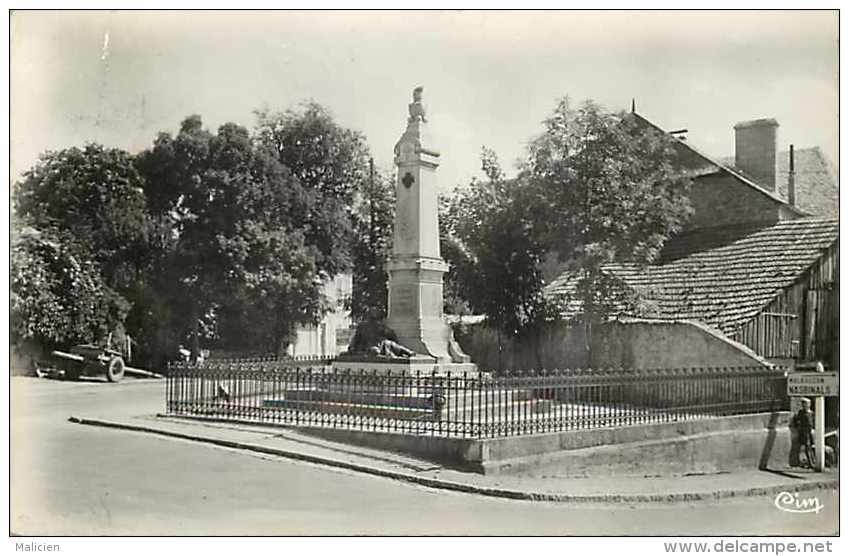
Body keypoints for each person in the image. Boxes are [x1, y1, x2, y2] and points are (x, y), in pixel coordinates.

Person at [790, 398, 815, 469]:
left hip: (810, 432)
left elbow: (812, 422)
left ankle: (812, 461)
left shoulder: (811, 413)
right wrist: (798, 427)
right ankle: (809, 462)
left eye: (807, 404)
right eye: (804, 404)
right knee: (805, 447)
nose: (806, 405)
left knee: (810, 447)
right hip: (804, 432)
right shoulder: (801, 412)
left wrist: (813, 429)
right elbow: (796, 420)